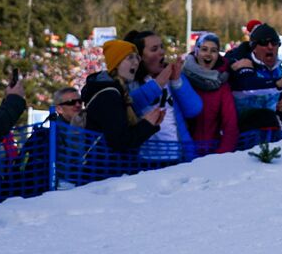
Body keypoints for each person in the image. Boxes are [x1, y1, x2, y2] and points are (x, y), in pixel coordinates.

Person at [127, 28, 203, 161]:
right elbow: (132, 104)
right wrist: (157, 84)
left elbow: (195, 109)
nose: (162, 52)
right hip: (145, 160)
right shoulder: (131, 82)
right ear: (140, 57)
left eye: (161, 47)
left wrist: (177, 82)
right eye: (154, 49)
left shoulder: (174, 76)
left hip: (179, 156)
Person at [82, 40, 166, 152]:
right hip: (104, 167)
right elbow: (121, 143)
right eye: (130, 57)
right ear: (116, 64)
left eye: (137, 58)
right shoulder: (109, 96)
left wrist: (150, 123)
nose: (136, 62)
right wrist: (148, 124)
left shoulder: (116, 91)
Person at [182, 32, 239, 154]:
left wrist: (221, 155)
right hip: (184, 153)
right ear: (196, 51)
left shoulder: (222, 84)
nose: (208, 54)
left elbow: (230, 124)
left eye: (213, 51)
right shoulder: (182, 78)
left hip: (212, 150)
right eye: (204, 49)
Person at [227, 22, 282, 132]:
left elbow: (275, 99)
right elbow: (246, 87)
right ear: (254, 48)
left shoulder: (277, 69)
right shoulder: (244, 63)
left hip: (269, 130)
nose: (270, 47)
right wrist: (276, 84)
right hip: (242, 131)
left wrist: (281, 101)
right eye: (264, 43)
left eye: (274, 43)